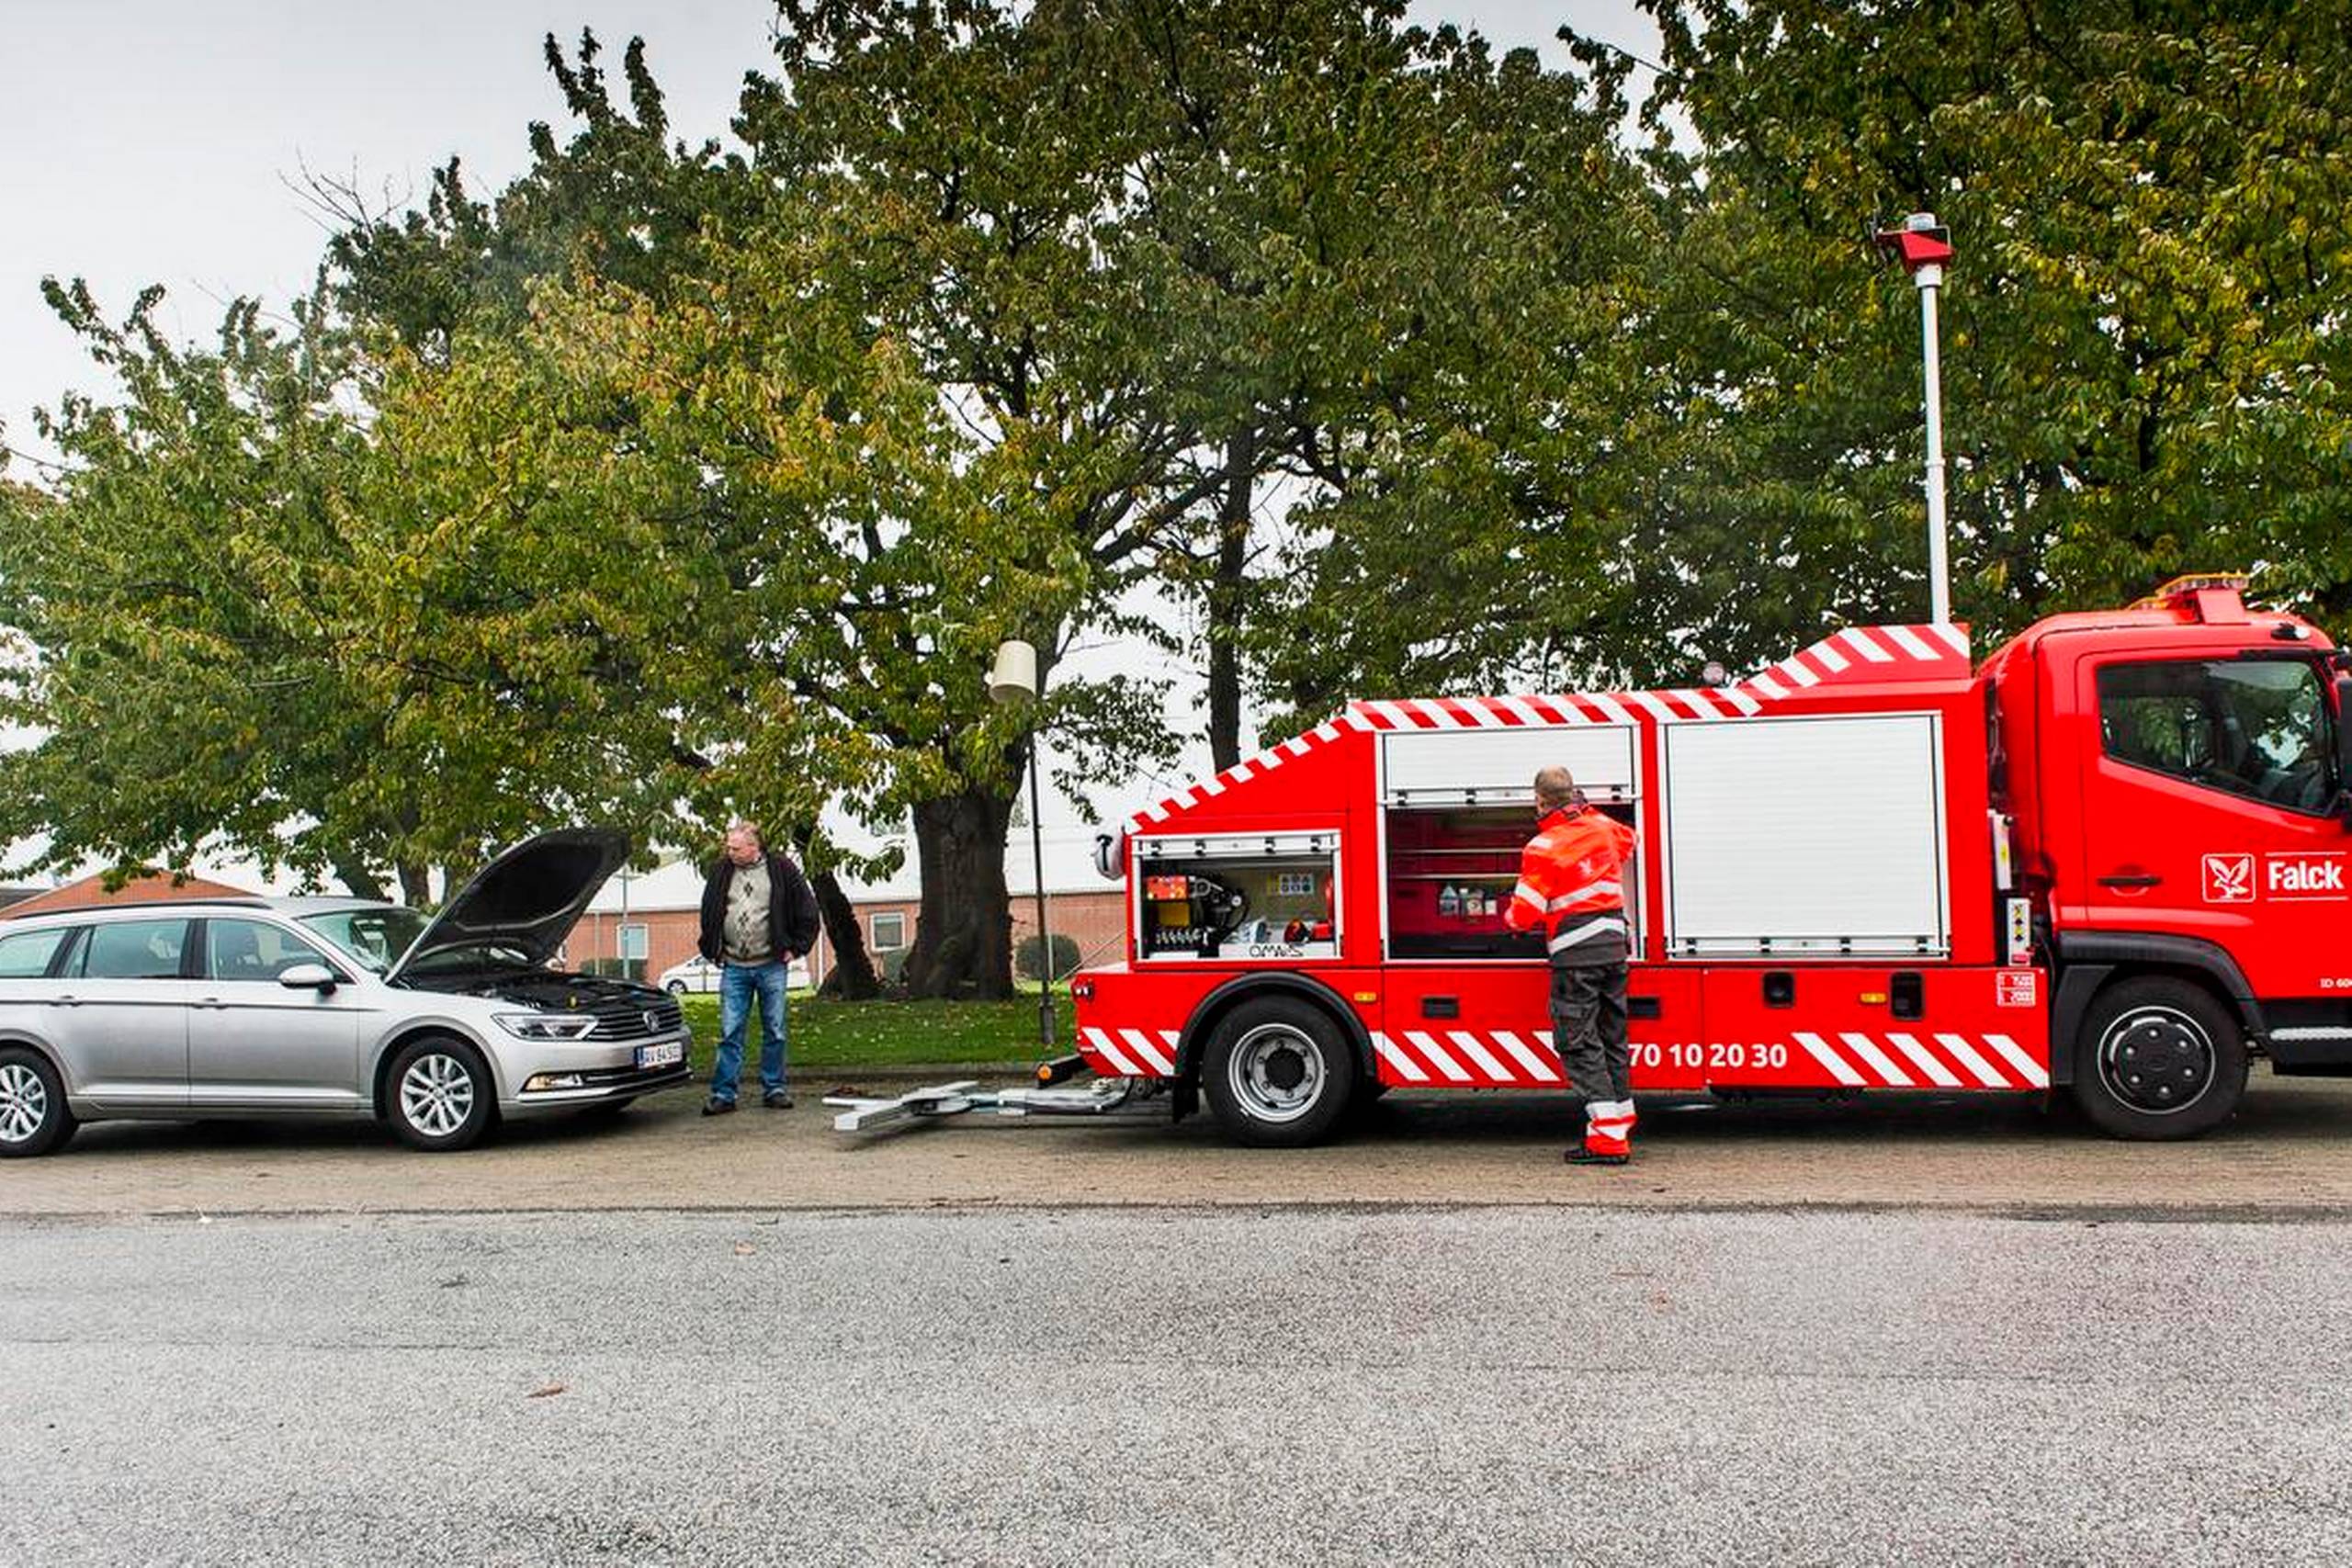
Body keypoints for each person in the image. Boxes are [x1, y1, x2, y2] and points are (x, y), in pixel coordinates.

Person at [1503, 767, 1638, 1166]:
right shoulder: (1604, 830)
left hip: (1576, 956)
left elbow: (1523, 916)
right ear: (1574, 796)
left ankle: (1608, 1138)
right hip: (1613, 950)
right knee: (1611, 1037)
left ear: (1540, 801)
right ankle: (1621, 1118)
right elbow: (1630, 839)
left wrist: (1507, 917)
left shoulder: (1543, 847)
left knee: (1578, 1041)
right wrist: (1586, 810)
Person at [698, 819, 821, 1114]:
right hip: (734, 965)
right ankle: (724, 1094)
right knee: (730, 1031)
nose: (729, 852)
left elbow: (807, 909)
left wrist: (796, 947)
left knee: (775, 1030)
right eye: (728, 847)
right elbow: (709, 910)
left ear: (754, 847)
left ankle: (774, 1089)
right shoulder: (721, 871)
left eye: (736, 848)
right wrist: (712, 948)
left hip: (771, 964)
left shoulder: (782, 869)